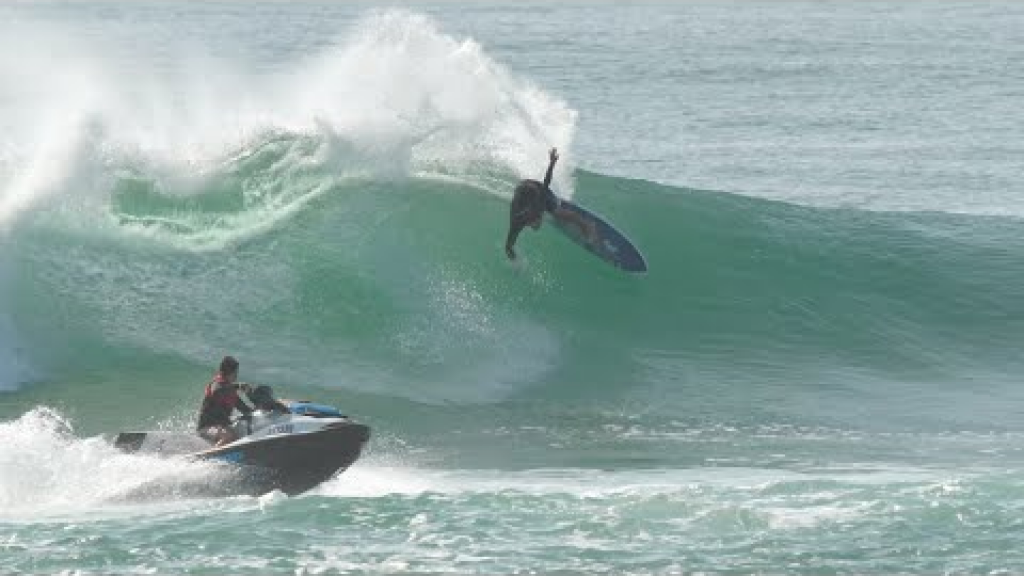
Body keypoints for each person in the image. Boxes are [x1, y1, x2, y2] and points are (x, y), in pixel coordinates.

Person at [505, 147, 596, 260]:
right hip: (523, 192)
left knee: (557, 213)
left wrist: (552, 162)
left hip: (536, 189)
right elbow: (508, 247)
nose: (536, 227)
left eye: (537, 221)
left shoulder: (538, 202)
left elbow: (546, 182)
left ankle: (587, 226)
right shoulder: (516, 224)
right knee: (539, 219)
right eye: (536, 222)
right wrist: (516, 262)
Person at [196, 355, 253, 446]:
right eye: (236, 372)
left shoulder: (230, 390)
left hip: (219, 426)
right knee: (228, 436)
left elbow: (243, 408)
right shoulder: (216, 385)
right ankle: (212, 457)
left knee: (238, 433)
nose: (236, 376)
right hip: (206, 428)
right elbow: (217, 391)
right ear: (230, 373)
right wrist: (237, 386)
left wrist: (256, 411)